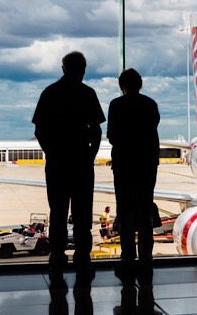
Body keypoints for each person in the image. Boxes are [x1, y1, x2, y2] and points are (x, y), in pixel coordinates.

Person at [32, 51, 105, 284]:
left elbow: (39, 130)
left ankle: (57, 256)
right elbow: (97, 130)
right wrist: (90, 155)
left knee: (58, 212)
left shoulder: (50, 93)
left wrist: (52, 152)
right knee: (83, 214)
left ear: (63, 69)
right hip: (81, 163)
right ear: (83, 69)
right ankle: (83, 256)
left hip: (57, 164)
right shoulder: (87, 94)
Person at [107, 68, 160, 286]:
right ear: (141, 84)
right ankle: (146, 260)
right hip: (146, 165)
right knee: (145, 214)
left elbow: (111, 135)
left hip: (125, 166)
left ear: (122, 86)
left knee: (125, 214)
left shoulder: (116, 105)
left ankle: (127, 260)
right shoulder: (150, 104)